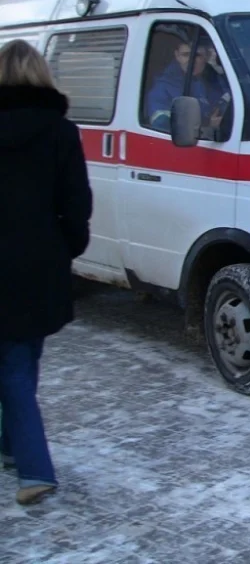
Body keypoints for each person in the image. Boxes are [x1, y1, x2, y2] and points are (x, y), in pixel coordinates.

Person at [0, 39, 92, 506]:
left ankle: (33, 467)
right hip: (40, 262)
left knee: (14, 362)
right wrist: (66, 248)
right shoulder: (61, 131)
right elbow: (77, 202)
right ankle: (17, 449)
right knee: (22, 355)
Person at [144, 36, 229, 136]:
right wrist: (206, 126)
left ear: (207, 56)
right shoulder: (163, 86)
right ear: (177, 56)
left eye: (197, 55)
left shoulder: (219, 80)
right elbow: (161, 123)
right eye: (186, 55)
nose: (191, 60)